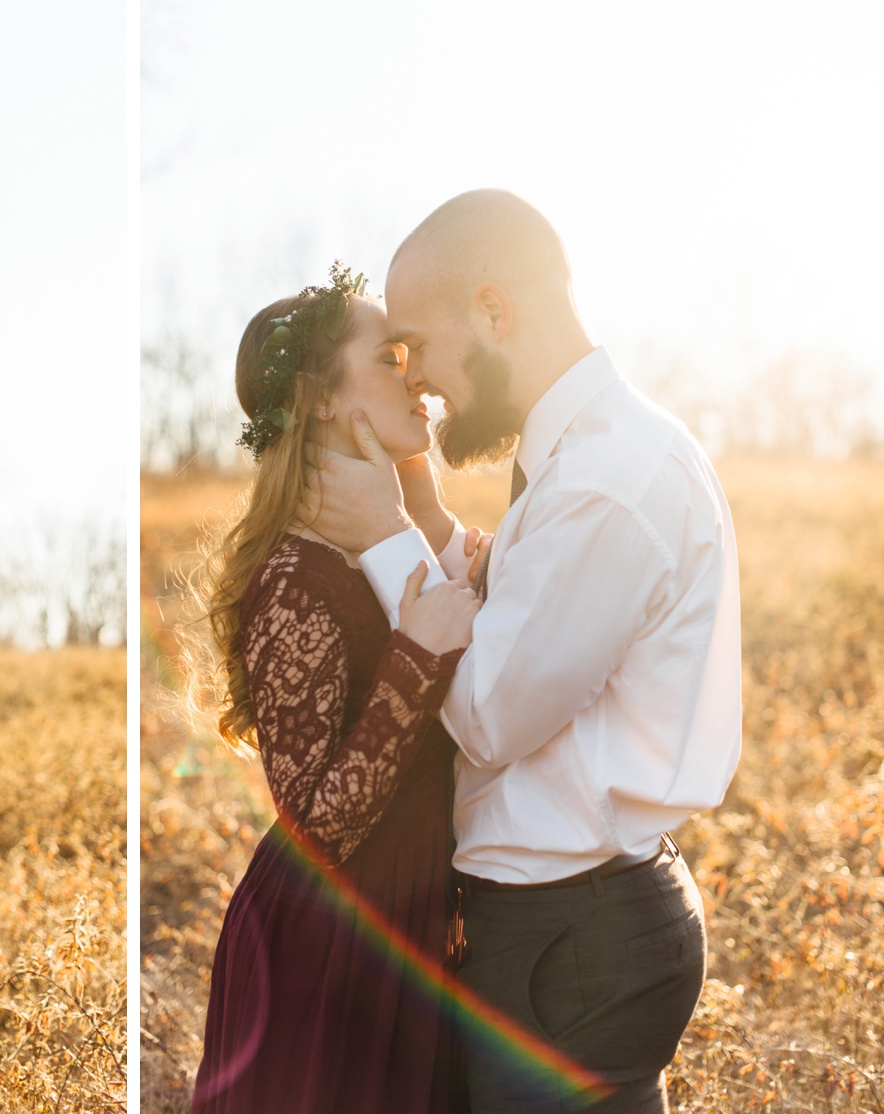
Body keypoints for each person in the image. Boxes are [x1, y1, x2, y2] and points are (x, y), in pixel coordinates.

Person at [302, 191, 742, 1112]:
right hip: (566, 925)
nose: (413, 377)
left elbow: (486, 714)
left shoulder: (607, 483)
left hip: (567, 937)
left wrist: (387, 541)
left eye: (417, 344)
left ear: (493, 312)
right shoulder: (589, 457)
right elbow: (536, 610)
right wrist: (429, 526)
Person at [187, 264, 485, 1113]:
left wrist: (424, 519)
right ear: (320, 399)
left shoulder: (389, 540)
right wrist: (415, 659)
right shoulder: (294, 577)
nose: (417, 378)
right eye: (390, 356)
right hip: (327, 959)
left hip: (407, 932)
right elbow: (315, 820)